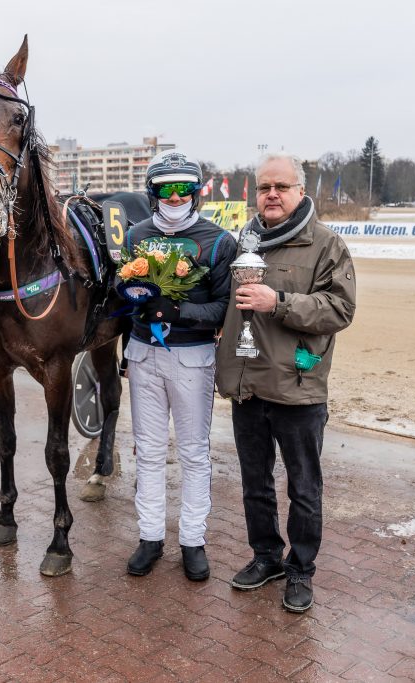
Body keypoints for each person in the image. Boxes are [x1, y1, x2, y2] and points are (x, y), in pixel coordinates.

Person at [215, 153, 356, 612]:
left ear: (300, 191)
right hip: (247, 386)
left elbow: (339, 310)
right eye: (263, 187)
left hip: (298, 387)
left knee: (303, 487)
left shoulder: (327, 245)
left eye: (281, 186)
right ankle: (266, 557)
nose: (271, 195)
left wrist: (279, 301)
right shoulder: (243, 241)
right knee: (254, 482)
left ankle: (300, 570)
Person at [122, 150, 237, 581]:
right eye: (166, 189)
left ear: (196, 192)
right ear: (152, 194)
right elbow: (125, 299)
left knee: (193, 453)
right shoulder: (135, 236)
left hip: (193, 360)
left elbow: (227, 308)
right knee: (148, 452)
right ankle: (150, 537)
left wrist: (177, 309)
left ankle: (193, 540)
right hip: (143, 356)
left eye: (183, 189)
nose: (174, 197)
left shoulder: (220, 241)